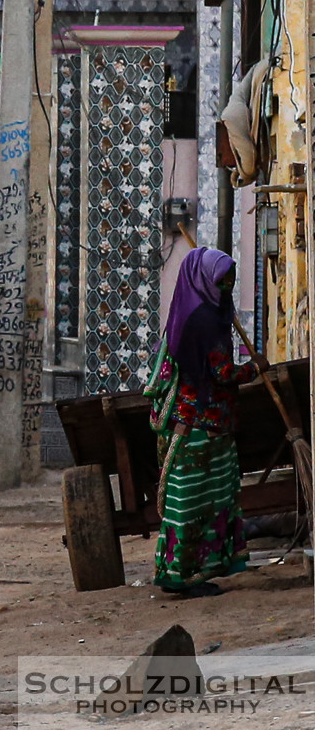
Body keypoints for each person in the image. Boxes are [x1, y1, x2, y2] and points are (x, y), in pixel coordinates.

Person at [144, 247, 258, 597]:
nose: (227, 286)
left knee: (201, 501)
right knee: (193, 504)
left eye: (230, 280)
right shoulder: (202, 321)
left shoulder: (189, 314)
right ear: (204, 280)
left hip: (204, 429)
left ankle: (188, 572)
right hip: (197, 432)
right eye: (221, 280)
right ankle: (183, 576)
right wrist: (254, 369)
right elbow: (221, 372)